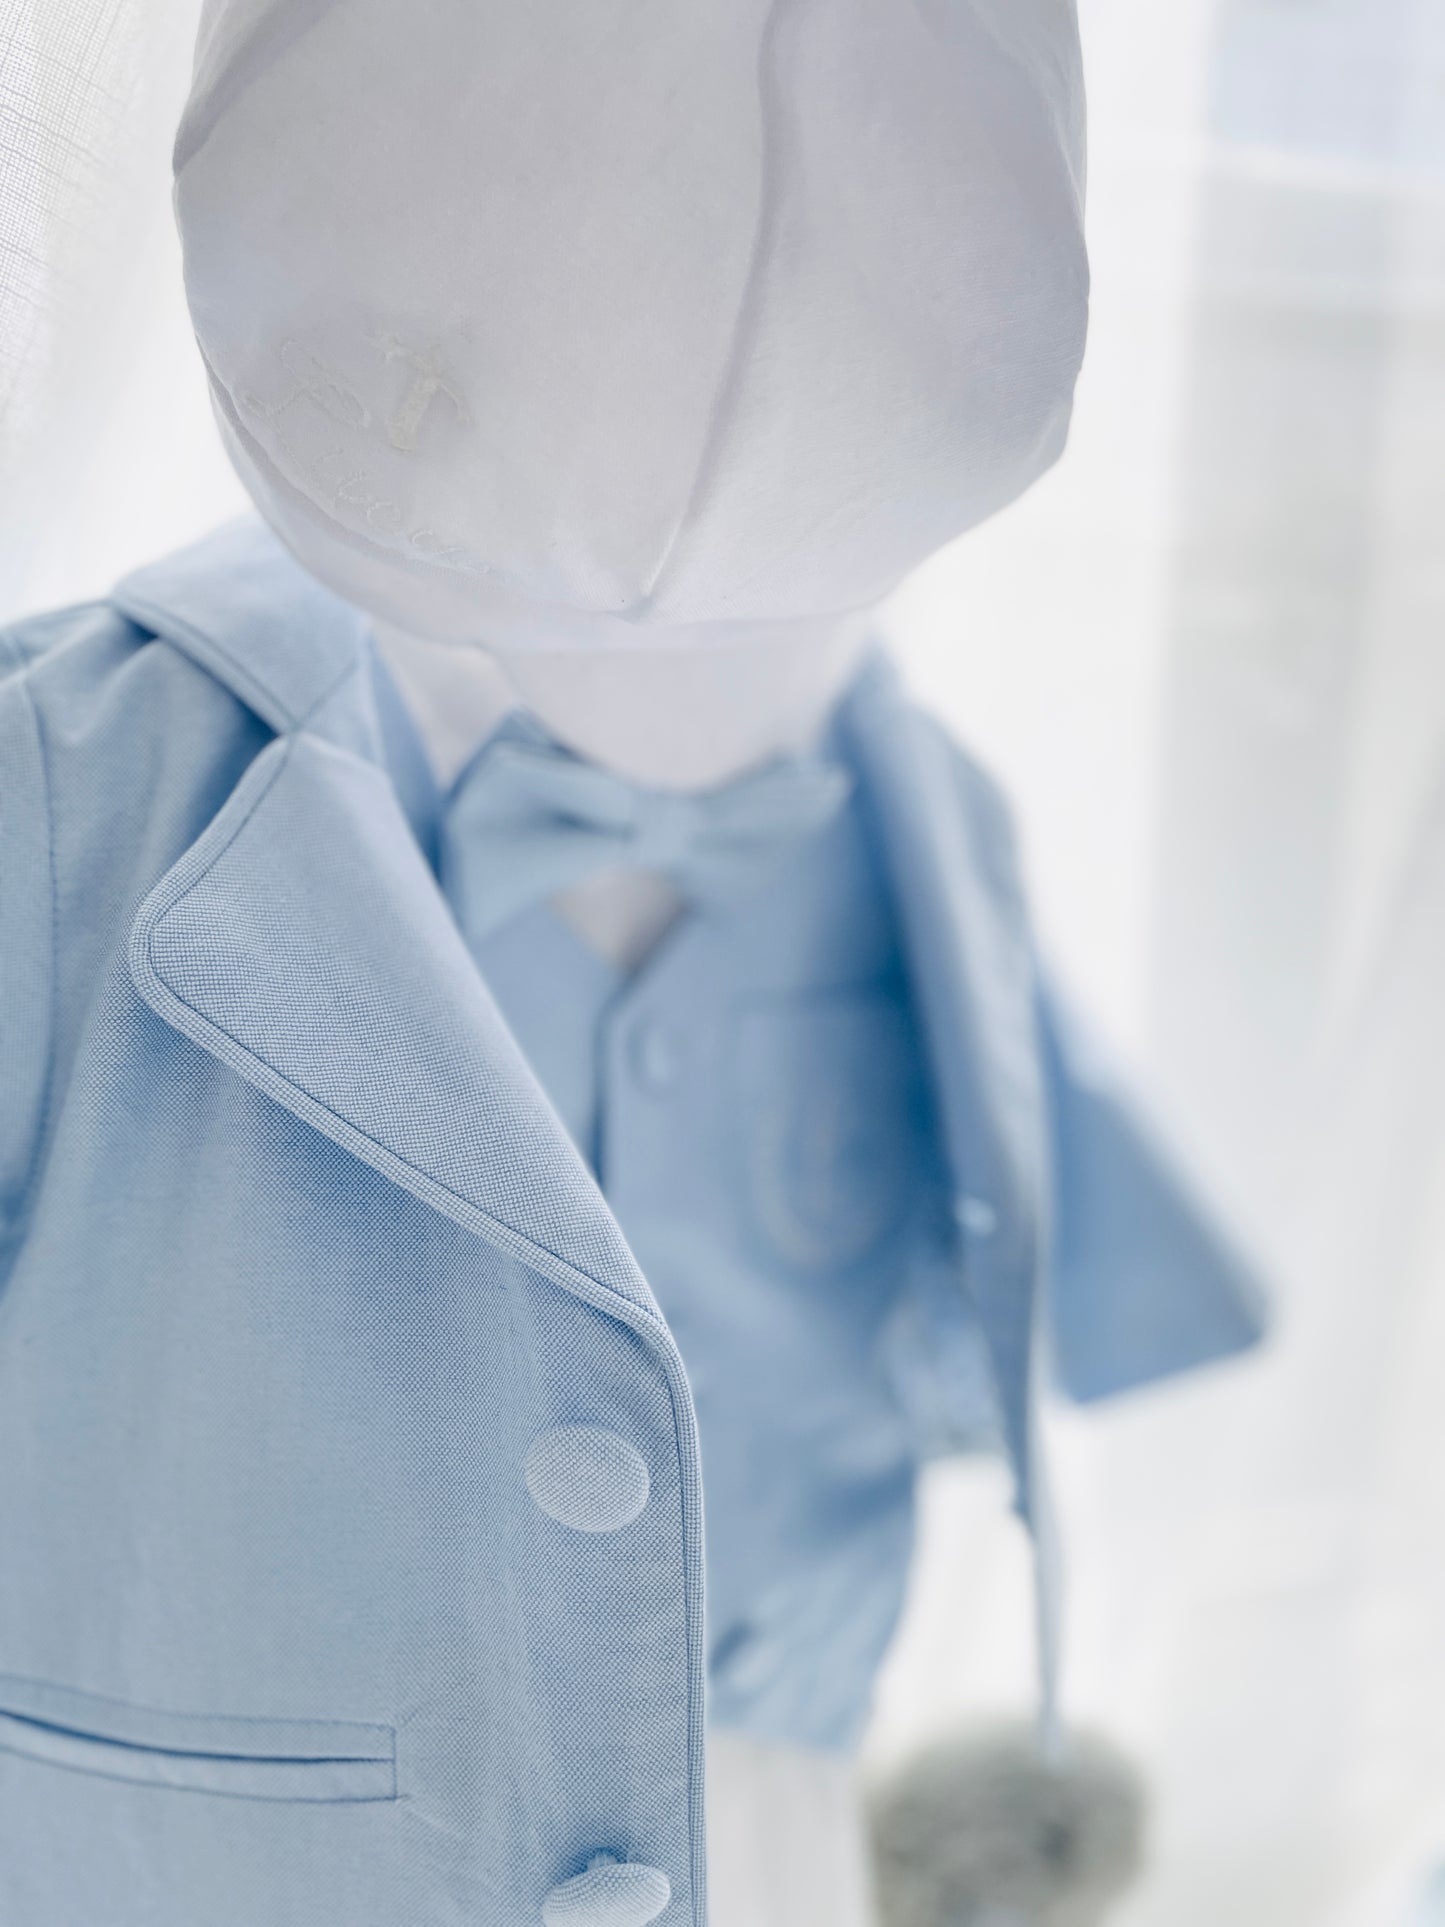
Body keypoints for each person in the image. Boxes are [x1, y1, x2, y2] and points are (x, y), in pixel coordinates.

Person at [0, 4, 1265, 1922]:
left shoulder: (923, 812)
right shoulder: (66, 785)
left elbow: (1037, 1207)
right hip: (246, 1830)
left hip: (763, 1776)